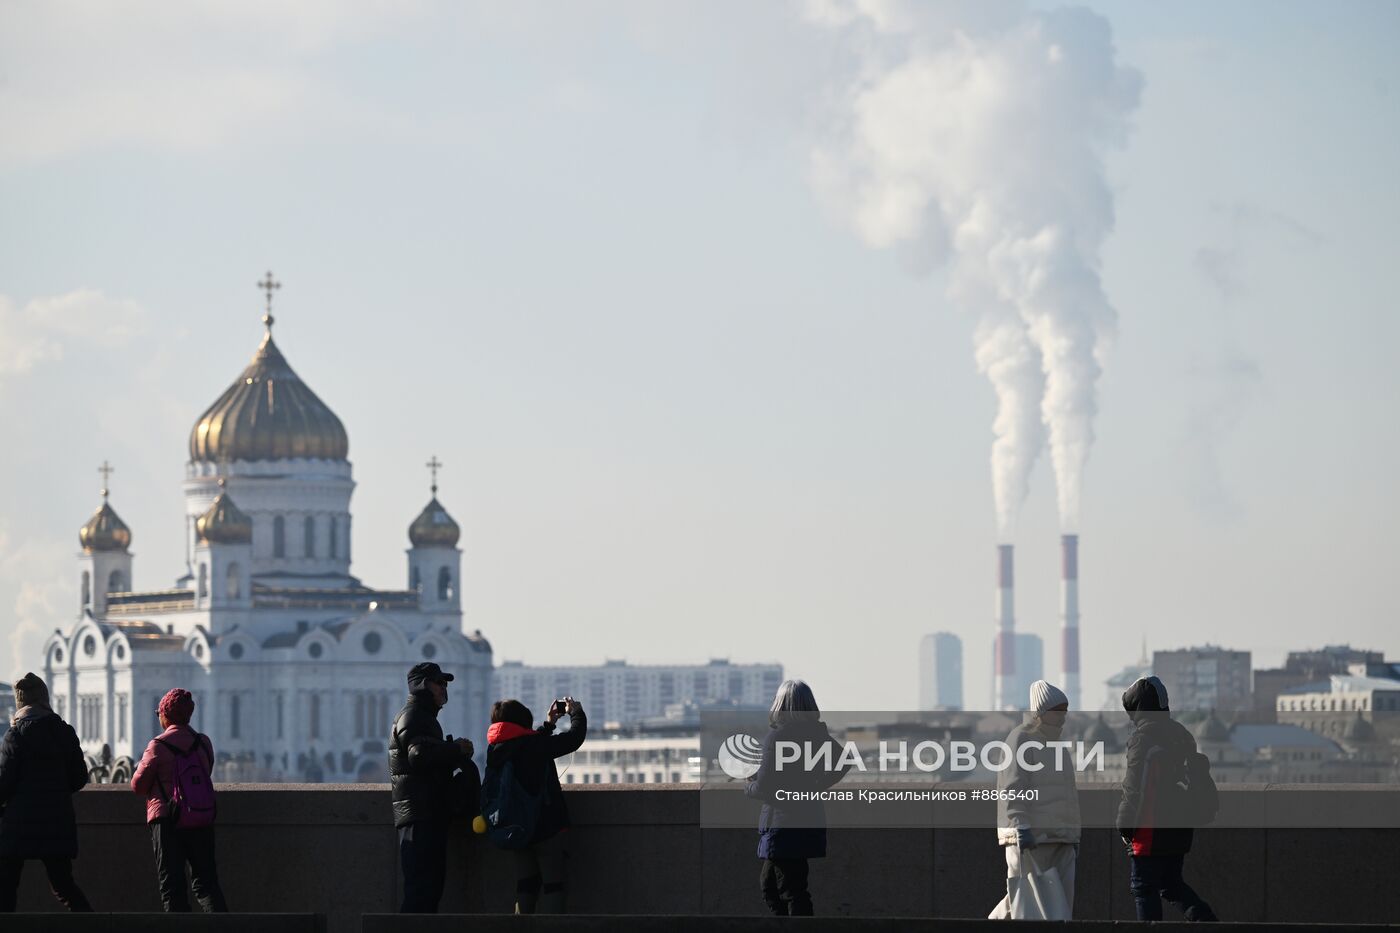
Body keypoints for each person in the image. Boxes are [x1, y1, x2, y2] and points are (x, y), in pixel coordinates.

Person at [1117, 675, 1218, 922]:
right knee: (1172, 885)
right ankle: (1207, 921)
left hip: (1149, 828)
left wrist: (1125, 825)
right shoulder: (1182, 734)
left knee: (1143, 887)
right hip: (1179, 828)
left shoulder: (1143, 739)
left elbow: (1134, 788)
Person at [744, 679, 847, 917]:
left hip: (783, 825)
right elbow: (844, 761)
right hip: (807, 820)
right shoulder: (817, 735)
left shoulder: (777, 738)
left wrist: (749, 785)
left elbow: (766, 787)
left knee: (788, 890)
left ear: (781, 705)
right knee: (780, 886)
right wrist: (817, 785)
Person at [483, 696, 587, 914]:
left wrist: (548, 724)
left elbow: (526, 742)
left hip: (515, 827)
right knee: (553, 885)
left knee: (526, 885)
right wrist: (576, 712)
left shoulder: (496, 749)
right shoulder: (534, 745)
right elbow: (574, 738)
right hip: (546, 826)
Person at [0, 673, 93, 913]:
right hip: (57, 820)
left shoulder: (15, 735)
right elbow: (79, 777)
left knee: (7, 884)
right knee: (63, 885)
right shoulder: (64, 731)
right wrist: (58, 793)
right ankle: (95, 926)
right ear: (45, 699)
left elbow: (4, 782)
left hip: (19, 823)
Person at [989, 680, 1080, 920]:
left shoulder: (1057, 744)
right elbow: (1012, 787)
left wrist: (1073, 833)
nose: (1063, 716)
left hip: (1060, 837)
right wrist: (1021, 826)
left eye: (1065, 710)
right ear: (1042, 711)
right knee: (1025, 898)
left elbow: (1067, 793)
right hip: (1032, 838)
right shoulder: (1020, 739)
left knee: (1052, 905)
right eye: (1058, 710)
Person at [130, 688, 228, 912]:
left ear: (165, 714)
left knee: (172, 887)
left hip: (167, 821)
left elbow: (138, 786)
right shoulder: (203, 743)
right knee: (207, 884)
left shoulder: (157, 746)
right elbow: (206, 772)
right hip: (200, 816)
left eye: (159, 714)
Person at [390, 662, 474, 913]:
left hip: (427, 813)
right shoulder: (414, 716)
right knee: (421, 892)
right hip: (420, 816)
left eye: (445, 684)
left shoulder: (422, 717)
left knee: (429, 890)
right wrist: (455, 749)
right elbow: (419, 756)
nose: (444, 689)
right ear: (422, 686)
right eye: (439, 683)